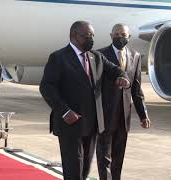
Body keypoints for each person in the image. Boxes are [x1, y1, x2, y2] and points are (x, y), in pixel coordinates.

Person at [39, 21, 130, 180]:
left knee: (85, 169)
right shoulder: (59, 57)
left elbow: (115, 70)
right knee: (74, 171)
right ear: (74, 36)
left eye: (92, 36)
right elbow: (47, 87)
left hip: (92, 124)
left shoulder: (96, 57)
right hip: (70, 124)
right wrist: (65, 111)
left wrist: (122, 77)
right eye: (87, 36)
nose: (91, 39)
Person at [96, 23, 150, 180]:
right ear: (111, 35)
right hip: (105, 114)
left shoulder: (136, 56)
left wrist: (143, 114)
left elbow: (136, 90)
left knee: (119, 156)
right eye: (117, 34)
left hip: (124, 116)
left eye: (123, 35)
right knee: (104, 156)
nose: (120, 37)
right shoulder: (100, 56)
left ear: (129, 37)